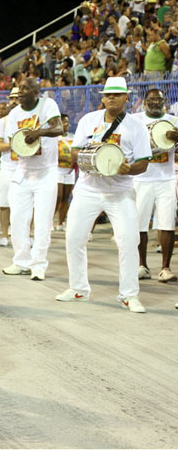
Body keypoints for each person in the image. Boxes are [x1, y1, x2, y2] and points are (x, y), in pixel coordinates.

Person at [56, 77, 151, 313]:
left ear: (126, 97)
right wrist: (91, 160)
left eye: (117, 94)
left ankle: (129, 295)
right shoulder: (89, 120)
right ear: (103, 97)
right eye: (108, 94)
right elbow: (75, 151)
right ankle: (78, 288)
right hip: (88, 188)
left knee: (129, 240)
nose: (111, 98)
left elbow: (144, 162)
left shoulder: (136, 125)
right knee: (74, 238)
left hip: (120, 191)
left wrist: (128, 168)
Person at [0, 78, 63, 281]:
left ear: (36, 93)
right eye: (20, 88)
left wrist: (39, 133)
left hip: (46, 172)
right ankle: (21, 262)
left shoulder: (47, 105)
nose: (20, 91)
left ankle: (38, 265)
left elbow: (58, 128)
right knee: (17, 219)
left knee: (43, 221)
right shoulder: (14, 113)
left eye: (26, 88)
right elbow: (13, 141)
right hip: (23, 171)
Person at [132, 88, 178, 282]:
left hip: (166, 178)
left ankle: (165, 268)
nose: (155, 103)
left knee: (167, 223)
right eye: (151, 100)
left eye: (159, 100)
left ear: (163, 101)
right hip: (141, 179)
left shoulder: (173, 121)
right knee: (139, 224)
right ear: (145, 102)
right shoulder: (135, 120)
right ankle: (142, 265)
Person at [0, 88, 19, 247]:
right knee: (4, 203)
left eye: (17, 98)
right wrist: (15, 145)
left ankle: (27, 234)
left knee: (29, 205)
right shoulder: (2, 123)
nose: (14, 101)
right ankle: (4, 235)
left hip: (26, 167)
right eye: (12, 98)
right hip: (8, 167)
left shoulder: (31, 119)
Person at [55, 114, 75, 231]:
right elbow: (51, 155)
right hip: (57, 170)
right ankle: (49, 220)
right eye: (64, 122)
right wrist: (65, 159)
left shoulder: (73, 137)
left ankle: (60, 223)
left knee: (66, 198)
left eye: (67, 122)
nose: (66, 124)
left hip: (70, 171)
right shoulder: (54, 138)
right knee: (58, 196)